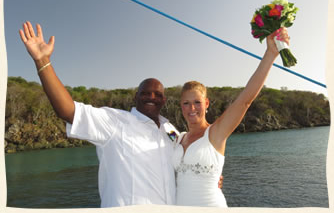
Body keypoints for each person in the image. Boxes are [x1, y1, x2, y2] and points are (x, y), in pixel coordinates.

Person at [18, 21, 222, 208]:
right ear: (136, 97)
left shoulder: (170, 130)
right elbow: (68, 111)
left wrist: (209, 178)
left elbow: (186, 161)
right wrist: (43, 62)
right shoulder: (114, 122)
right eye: (145, 93)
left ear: (164, 100)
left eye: (157, 94)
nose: (151, 97)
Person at [172, 28, 290, 207]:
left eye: (197, 102)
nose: (192, 108)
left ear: (207, 104)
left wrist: (270, 54)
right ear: (181, 106)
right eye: (186, 103)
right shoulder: (176, 138)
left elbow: (244, 101)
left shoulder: (215, 133)